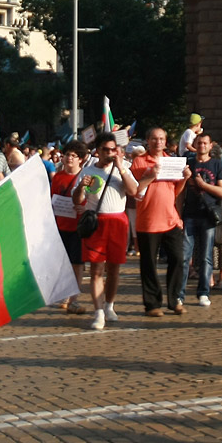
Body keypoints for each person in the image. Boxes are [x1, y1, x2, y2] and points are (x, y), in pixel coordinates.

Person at [74, 133, 138, 330]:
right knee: (96, 270)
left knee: (114, 268)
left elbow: (133, 191)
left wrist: (121, 168)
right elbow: (76, 200)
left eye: (113, 150)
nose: (110, 153)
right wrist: (82, 187)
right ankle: (98, 311)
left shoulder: (123, 168)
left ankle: (110, 305)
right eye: (105, 150)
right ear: (98, 151)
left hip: (118, 221)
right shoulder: (88, 170)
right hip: (97, 221)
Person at [131, 127, 191, 316]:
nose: (158, 142)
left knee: (178, 259)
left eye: (161, 139)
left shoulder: (172, 162)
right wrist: (150, 175)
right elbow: (135, 191)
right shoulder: (139, 162)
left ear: (166, 141)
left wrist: (185, 179)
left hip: (170, 219)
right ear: (148, 141)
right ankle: (152, 304)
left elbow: (174, 191)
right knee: (149, 264)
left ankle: (175, 301)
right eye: (154, 139)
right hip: (148, 221)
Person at [179, 133, 222, 307]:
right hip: (190, 214)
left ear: (210, 145)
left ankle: (203, 292)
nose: (201, 146)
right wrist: (178, 213)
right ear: (194, 145)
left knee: (206, 257)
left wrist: (202, 184)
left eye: (205, 143)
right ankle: (179, 294)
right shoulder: (188, 164)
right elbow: (180, 192)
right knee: (184, 256)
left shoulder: (217, 164)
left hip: (208, 215)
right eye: (198, 143)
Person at [51, 141, 89, 315]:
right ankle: (64, 295)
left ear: (81, 159)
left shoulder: (86, 177)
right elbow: (52, 198)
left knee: (77, 264)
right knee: (62, 263)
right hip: (60, 224)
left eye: (73, 156)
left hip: (78, 227)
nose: (69, 158)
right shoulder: (58, 177)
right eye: (67, 154)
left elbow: (93, 199)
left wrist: (85, 208)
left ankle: (74, 298)